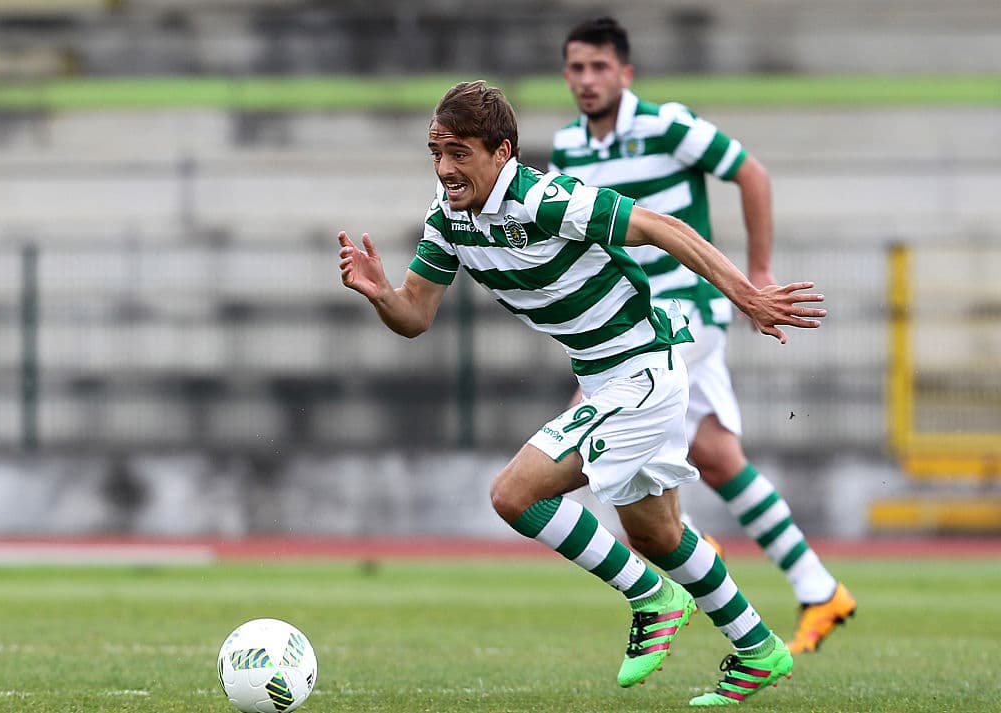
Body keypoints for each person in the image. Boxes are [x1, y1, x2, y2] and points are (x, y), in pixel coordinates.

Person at [339, 80, 826, 705]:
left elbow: (660, 226)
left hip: (641, 371)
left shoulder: (543, 197)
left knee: (514, 494)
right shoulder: (447, 216)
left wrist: (746, 294)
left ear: (502, 152)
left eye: (460, 153)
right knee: (656, 536)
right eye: (436, 152)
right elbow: (417, 316)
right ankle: (758, 648)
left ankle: (651, 597)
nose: (445, 168)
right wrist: (382, 295)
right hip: (609, 376)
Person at [550, 16, 856, 657]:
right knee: (715, 456)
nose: (586, 79)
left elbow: (752, 174)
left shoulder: (669, 125)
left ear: (624, 73)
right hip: (633, 314)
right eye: (576, 67)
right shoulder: (568, 148)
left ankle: (684, 542)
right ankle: (818, 588)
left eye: (599, 66)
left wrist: (760, 274)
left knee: (609, 416)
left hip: (686, 311)